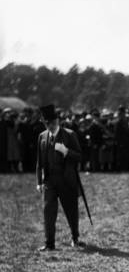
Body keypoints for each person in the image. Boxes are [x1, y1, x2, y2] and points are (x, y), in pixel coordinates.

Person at [35, 104, 83, 251]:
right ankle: (50, 243)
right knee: (48, 212)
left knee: (71, 211)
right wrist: (39, 182)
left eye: (51, 123)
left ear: (57, 121)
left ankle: (75, 237)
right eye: (46, 123)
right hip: (49, 181)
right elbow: (39, 162)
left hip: (66, 180)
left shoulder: (69, 135)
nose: (49, 126)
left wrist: (66, 151)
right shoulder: (42, 137)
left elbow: (80, 156)